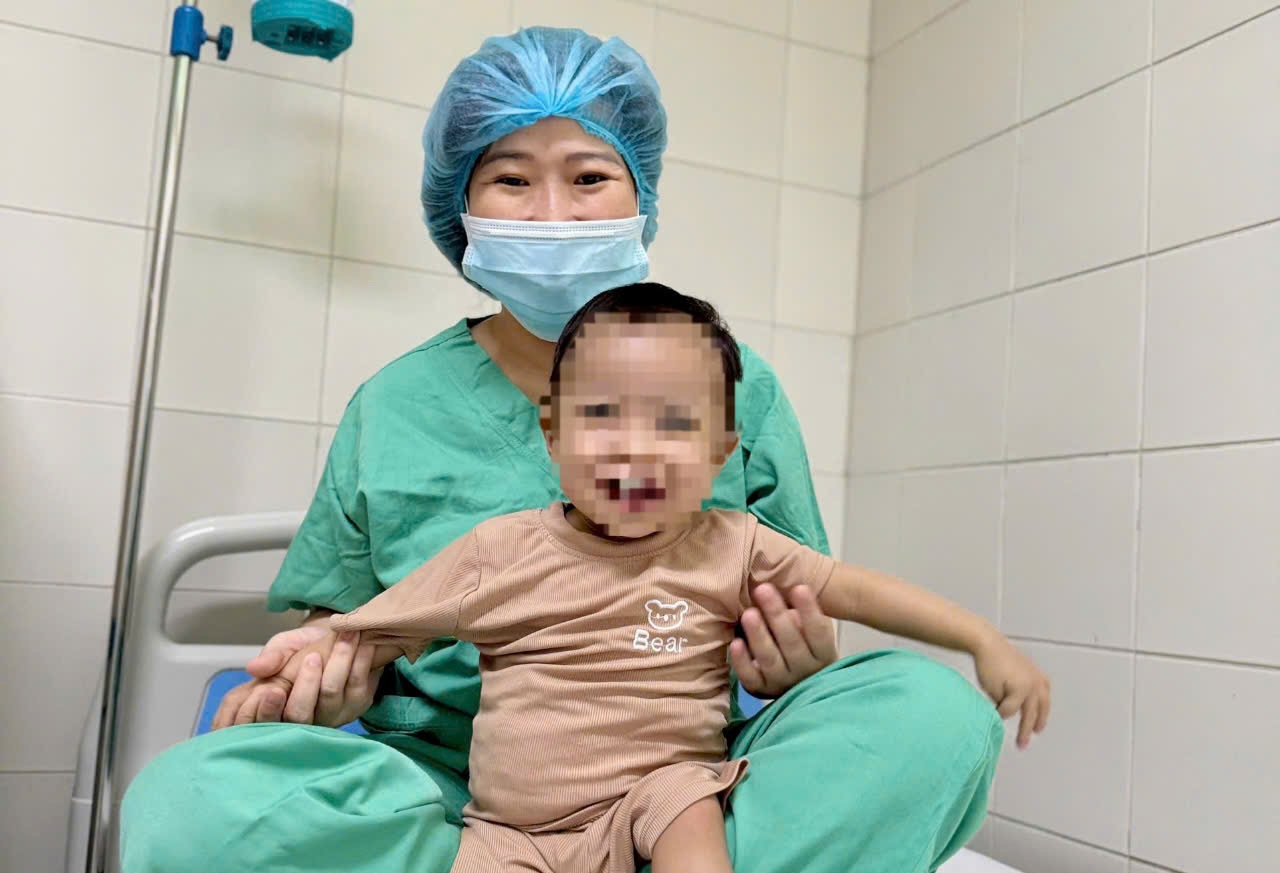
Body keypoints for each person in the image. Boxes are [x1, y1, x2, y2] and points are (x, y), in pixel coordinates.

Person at [120, 27, 1009, 873]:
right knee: (188, 800)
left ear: (641, 195)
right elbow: (338, 627)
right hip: (449, 796)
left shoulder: (743, 387)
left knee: (934, 717)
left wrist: (793, 665)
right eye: (510, 180)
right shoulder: (393, 407)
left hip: (694, 787)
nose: (551, 213)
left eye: (588, 176)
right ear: (460, 206)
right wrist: (329, 676)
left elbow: (803, 610)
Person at [257, 283, 1050, 873]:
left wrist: (979, 637)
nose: (636, 448)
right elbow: (370, 623)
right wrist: (293, 667)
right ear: (553, 431)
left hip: (663, 798)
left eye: (674, 422)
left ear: (720, 450)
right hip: (507, 827)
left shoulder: (733, 545)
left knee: (693, 816)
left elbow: (859, 588)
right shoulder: (501, 551)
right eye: (603, 414)